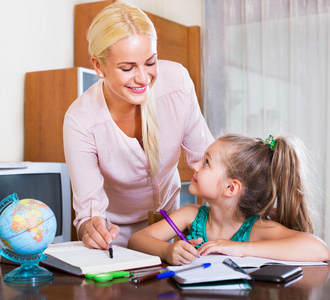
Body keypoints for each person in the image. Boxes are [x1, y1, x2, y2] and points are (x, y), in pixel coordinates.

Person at [63, 1, 214, 249]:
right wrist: (91, 229)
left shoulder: (177, 83)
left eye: (150, 62)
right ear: (98, 66)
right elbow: (88, 213)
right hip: (117, 240)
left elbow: (207, 160)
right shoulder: (81, 121)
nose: (143, 78)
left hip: (171, 225)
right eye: (127, 67)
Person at [128, 134, 330, 265]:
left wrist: (239, 248)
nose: (195, 166)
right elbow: (136, 240)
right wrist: (167, 250)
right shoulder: (192, 215)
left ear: (231, 187)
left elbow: (319, 249)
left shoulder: (256, 228)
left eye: (206, 162)